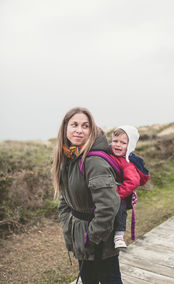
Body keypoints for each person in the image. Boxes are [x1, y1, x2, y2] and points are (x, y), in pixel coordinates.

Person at [52, 107, 123, 284]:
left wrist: (92, 238)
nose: (79, 130)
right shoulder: (70, 156)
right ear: (65, 127)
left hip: (99, 242)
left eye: (85, 126)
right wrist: (68, 224)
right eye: (74, 124)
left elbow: (107, 207)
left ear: (91, 130)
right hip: (81, 236)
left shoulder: (94, 162)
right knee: (88, 280)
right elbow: (65, 198)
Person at [109, 125, 150, 249]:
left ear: (130, 146)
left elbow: (133, 181)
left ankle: (119, 235)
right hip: (110, 190)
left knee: (120, 209)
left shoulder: (127, 162)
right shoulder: (110, 155)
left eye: (123, 142)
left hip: (122, 193)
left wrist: (118, 194)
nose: (118, 145)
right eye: (115, 141)